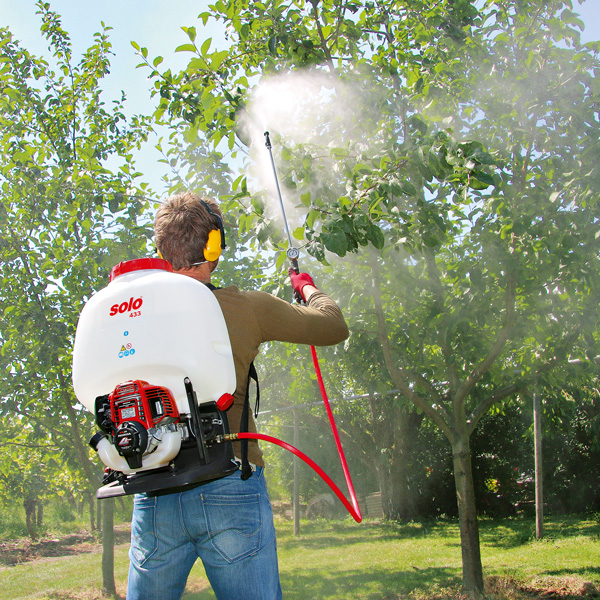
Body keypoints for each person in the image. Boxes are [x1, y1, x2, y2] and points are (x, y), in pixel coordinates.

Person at [126, 191, 349, 600]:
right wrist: (307, 287)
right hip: (230, 484)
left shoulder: (132, 314)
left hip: (156, 492)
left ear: (161, 248)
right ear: (214, 246)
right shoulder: (245, 308)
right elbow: (333, 326)